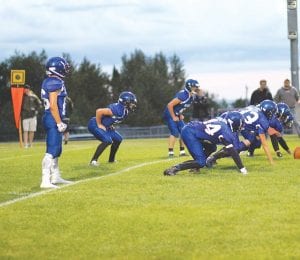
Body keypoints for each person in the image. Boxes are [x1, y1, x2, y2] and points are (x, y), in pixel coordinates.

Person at [163, 111, 248, 176]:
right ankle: (174, 168)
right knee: (201, 162)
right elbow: (233, 152)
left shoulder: (221, 121)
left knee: (212, 147)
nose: (241, 127)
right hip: (190, 133)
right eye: (241, 124)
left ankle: (195, 167)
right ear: (235, 123)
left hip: (193, 129)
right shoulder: (225, 131)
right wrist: (242, 169)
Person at [206, 100, 277, 166]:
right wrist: (271, 161)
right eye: (272, 112)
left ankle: (215, 156)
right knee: (236, 147)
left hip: (230, 117)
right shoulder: (263, 121)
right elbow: (265, 144)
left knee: (250, 142)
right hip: (234, 123)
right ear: (268, 112)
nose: (273, 115)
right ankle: (211, 158)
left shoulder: (253, 108)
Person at [40, 56, 73, 188]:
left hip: (53, 117)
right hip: (52, 117)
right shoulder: (54, 82)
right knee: (52, 149)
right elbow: (53, 105)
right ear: (57, 68)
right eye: (64, 66)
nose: (66, 69)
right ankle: (45, 180)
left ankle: (55, 176)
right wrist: (59, 122)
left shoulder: (53, 81)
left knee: (57, 149)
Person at [88, 91, 137, 166]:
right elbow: (99, 111)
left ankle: (111, 160)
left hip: (106, 125)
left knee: (118, 139)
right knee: (108, 140)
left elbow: (112, 118)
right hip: (94, 124)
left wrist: (110, 124)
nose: (133, 105)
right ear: (125, 102)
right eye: (131, 103)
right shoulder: (117, 109)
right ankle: (93, 161)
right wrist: (99, 124)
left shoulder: (124, 111)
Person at [163, 79, 202, 157]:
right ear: (189, 87)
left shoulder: (191, 96)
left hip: (176, 113)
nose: (196, 89)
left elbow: (180, 107)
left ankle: (182, 152)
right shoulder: (183, 95)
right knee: (174, 132)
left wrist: (180, 114)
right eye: (194, 87)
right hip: (169, 114)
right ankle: (170, 153)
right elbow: (170, 105)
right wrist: (174, 116)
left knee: (184, 131)